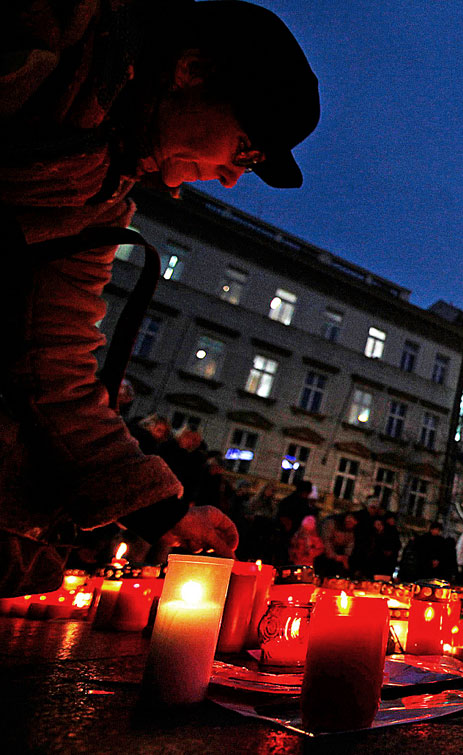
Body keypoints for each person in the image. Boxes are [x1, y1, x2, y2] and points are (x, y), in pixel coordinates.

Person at [0, 1, 319, 596]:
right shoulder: (52, 36)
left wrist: (164, 514)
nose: (231, 177)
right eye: (245, 151)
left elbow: (56, 358)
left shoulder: (99, 198)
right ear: (191, 70)